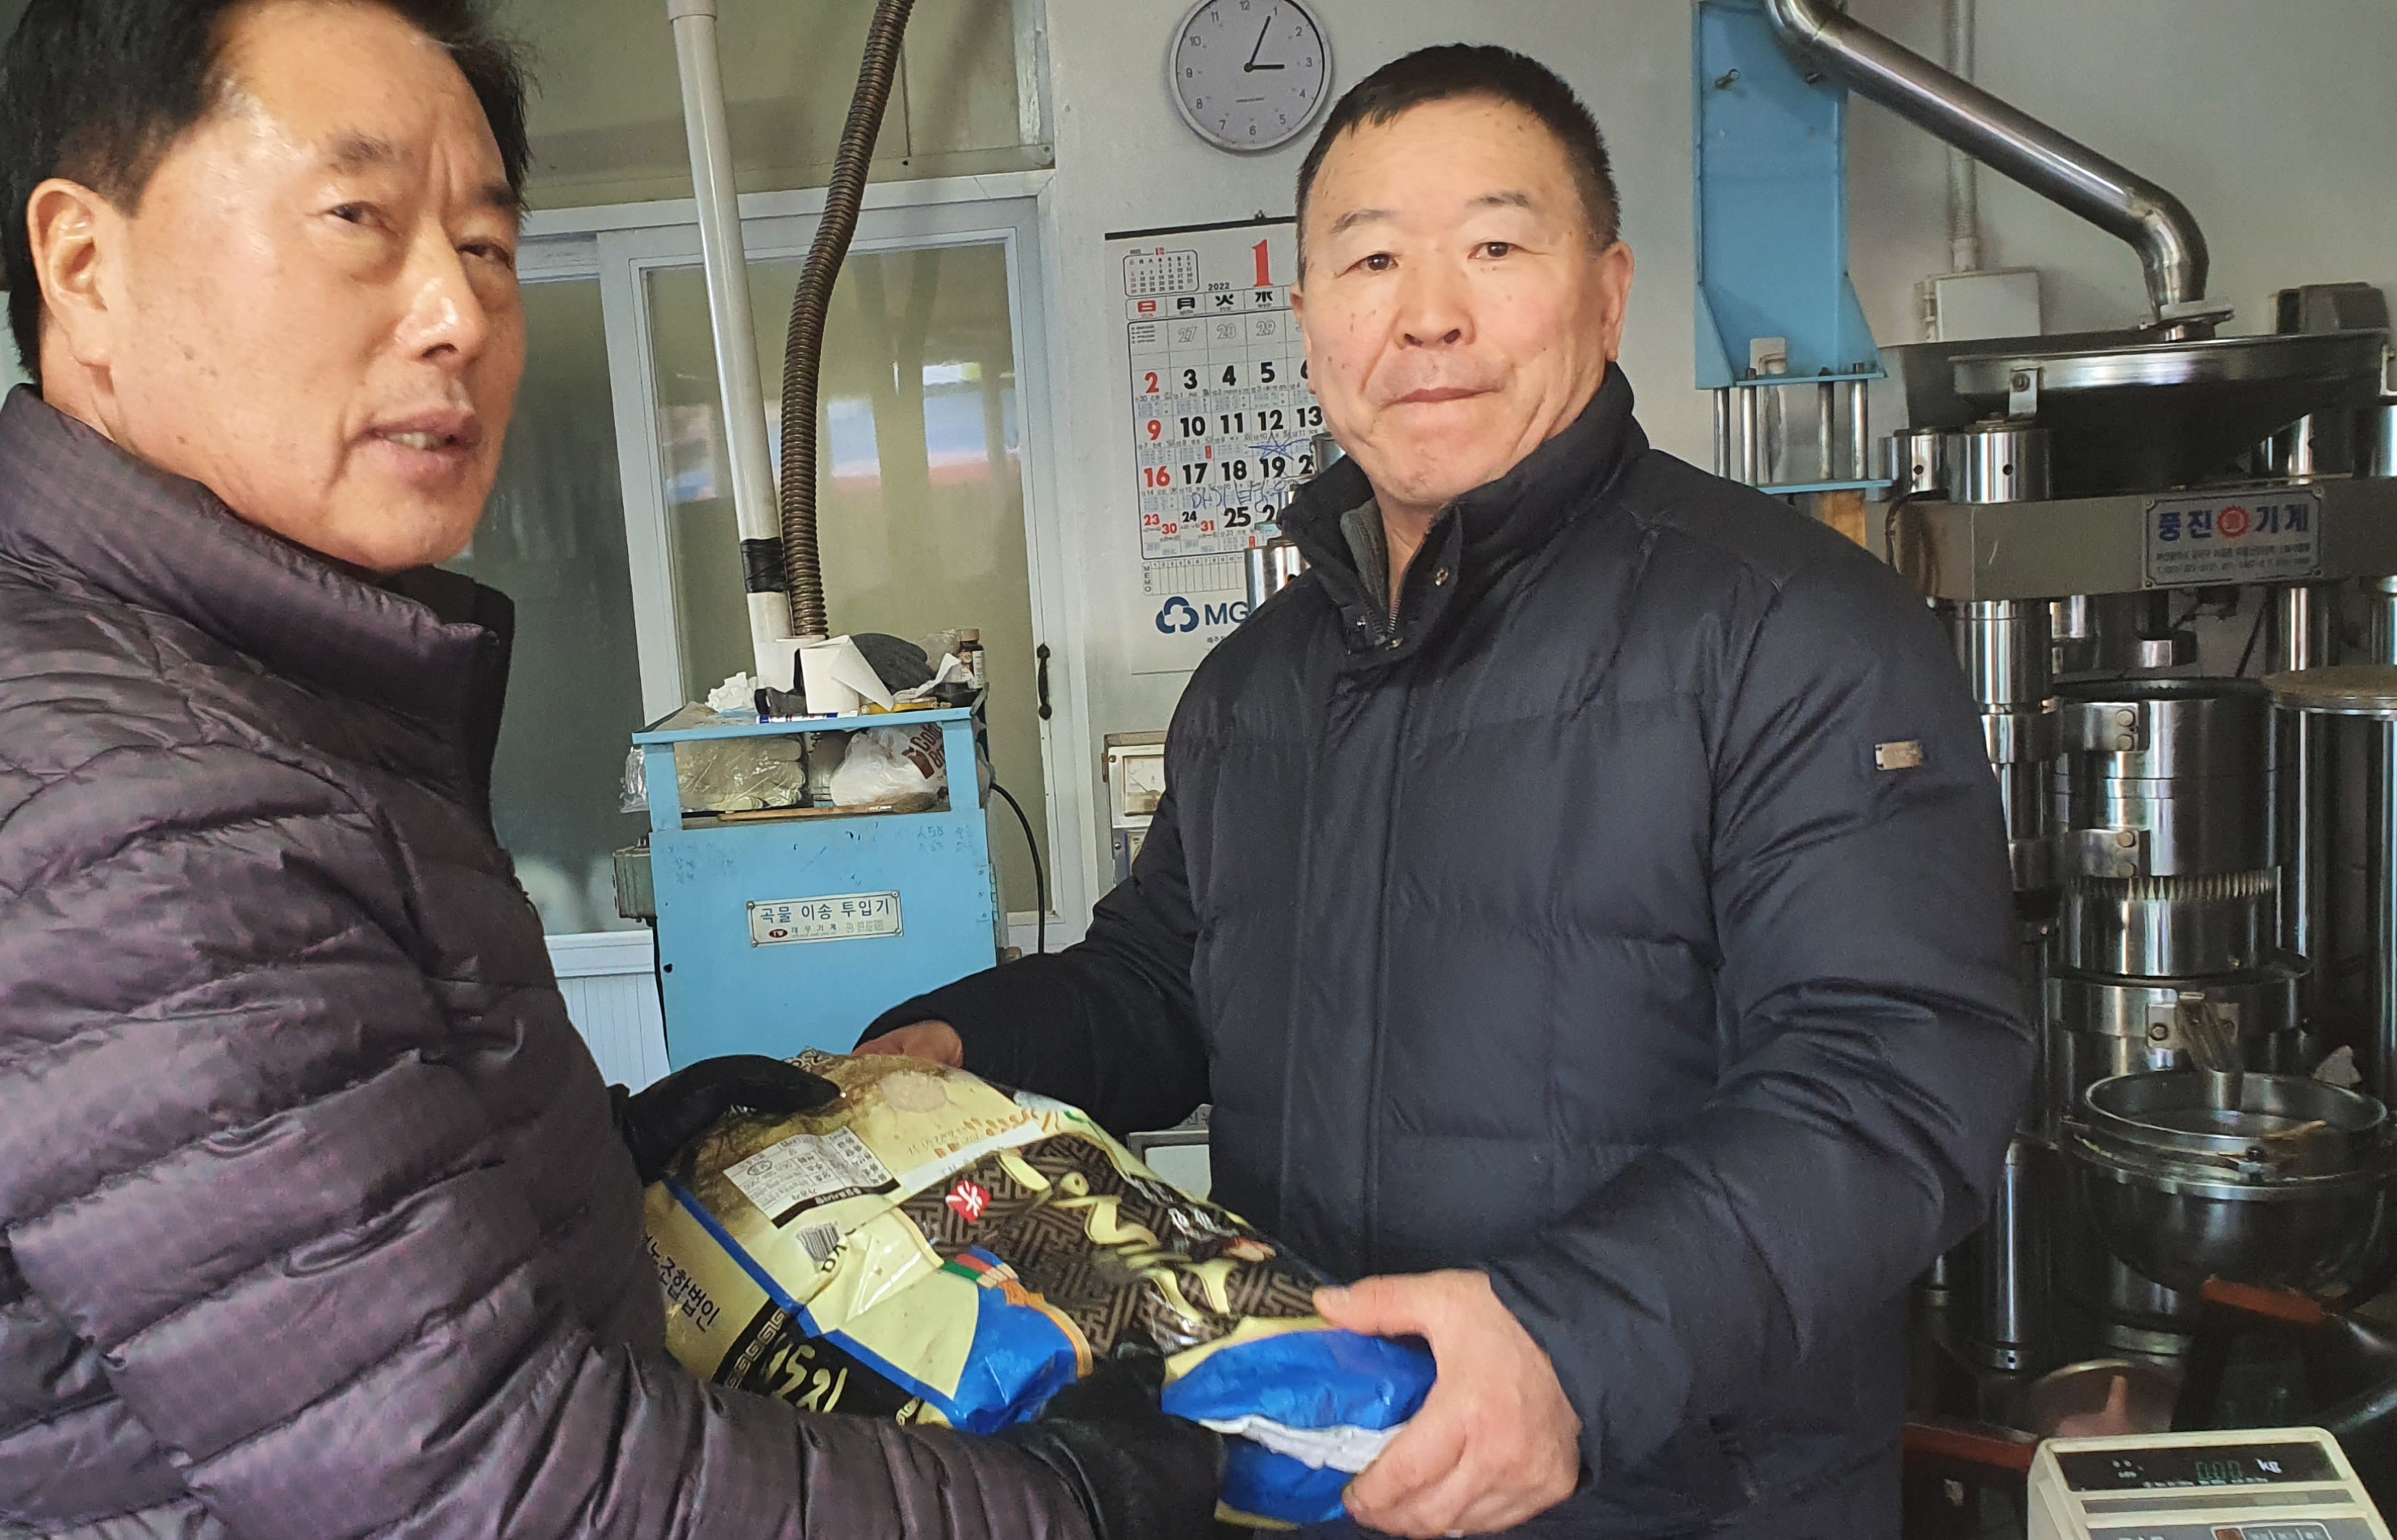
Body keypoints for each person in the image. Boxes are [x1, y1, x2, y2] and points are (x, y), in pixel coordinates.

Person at [0, 2, 1219, 1536]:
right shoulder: (126, 821)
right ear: (86, 265)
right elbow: (499, 1487)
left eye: (485, 247)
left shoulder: (189, 688)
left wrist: (602, 1160)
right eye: (357, 219)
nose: (458, 317)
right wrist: (1062, 1507)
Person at [861, 44, 2028, 1540]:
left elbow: (1893, 1070)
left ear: (1606, 293)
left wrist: (1573, 1342)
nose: (1428, 315)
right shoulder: (1256, 685)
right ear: (1307, 318)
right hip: (1319, 1474)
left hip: (1680, 1497)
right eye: (1371, 261)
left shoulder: (1791, 631)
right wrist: (962, 1045)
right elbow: (1165, 979)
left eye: (1493, 247)